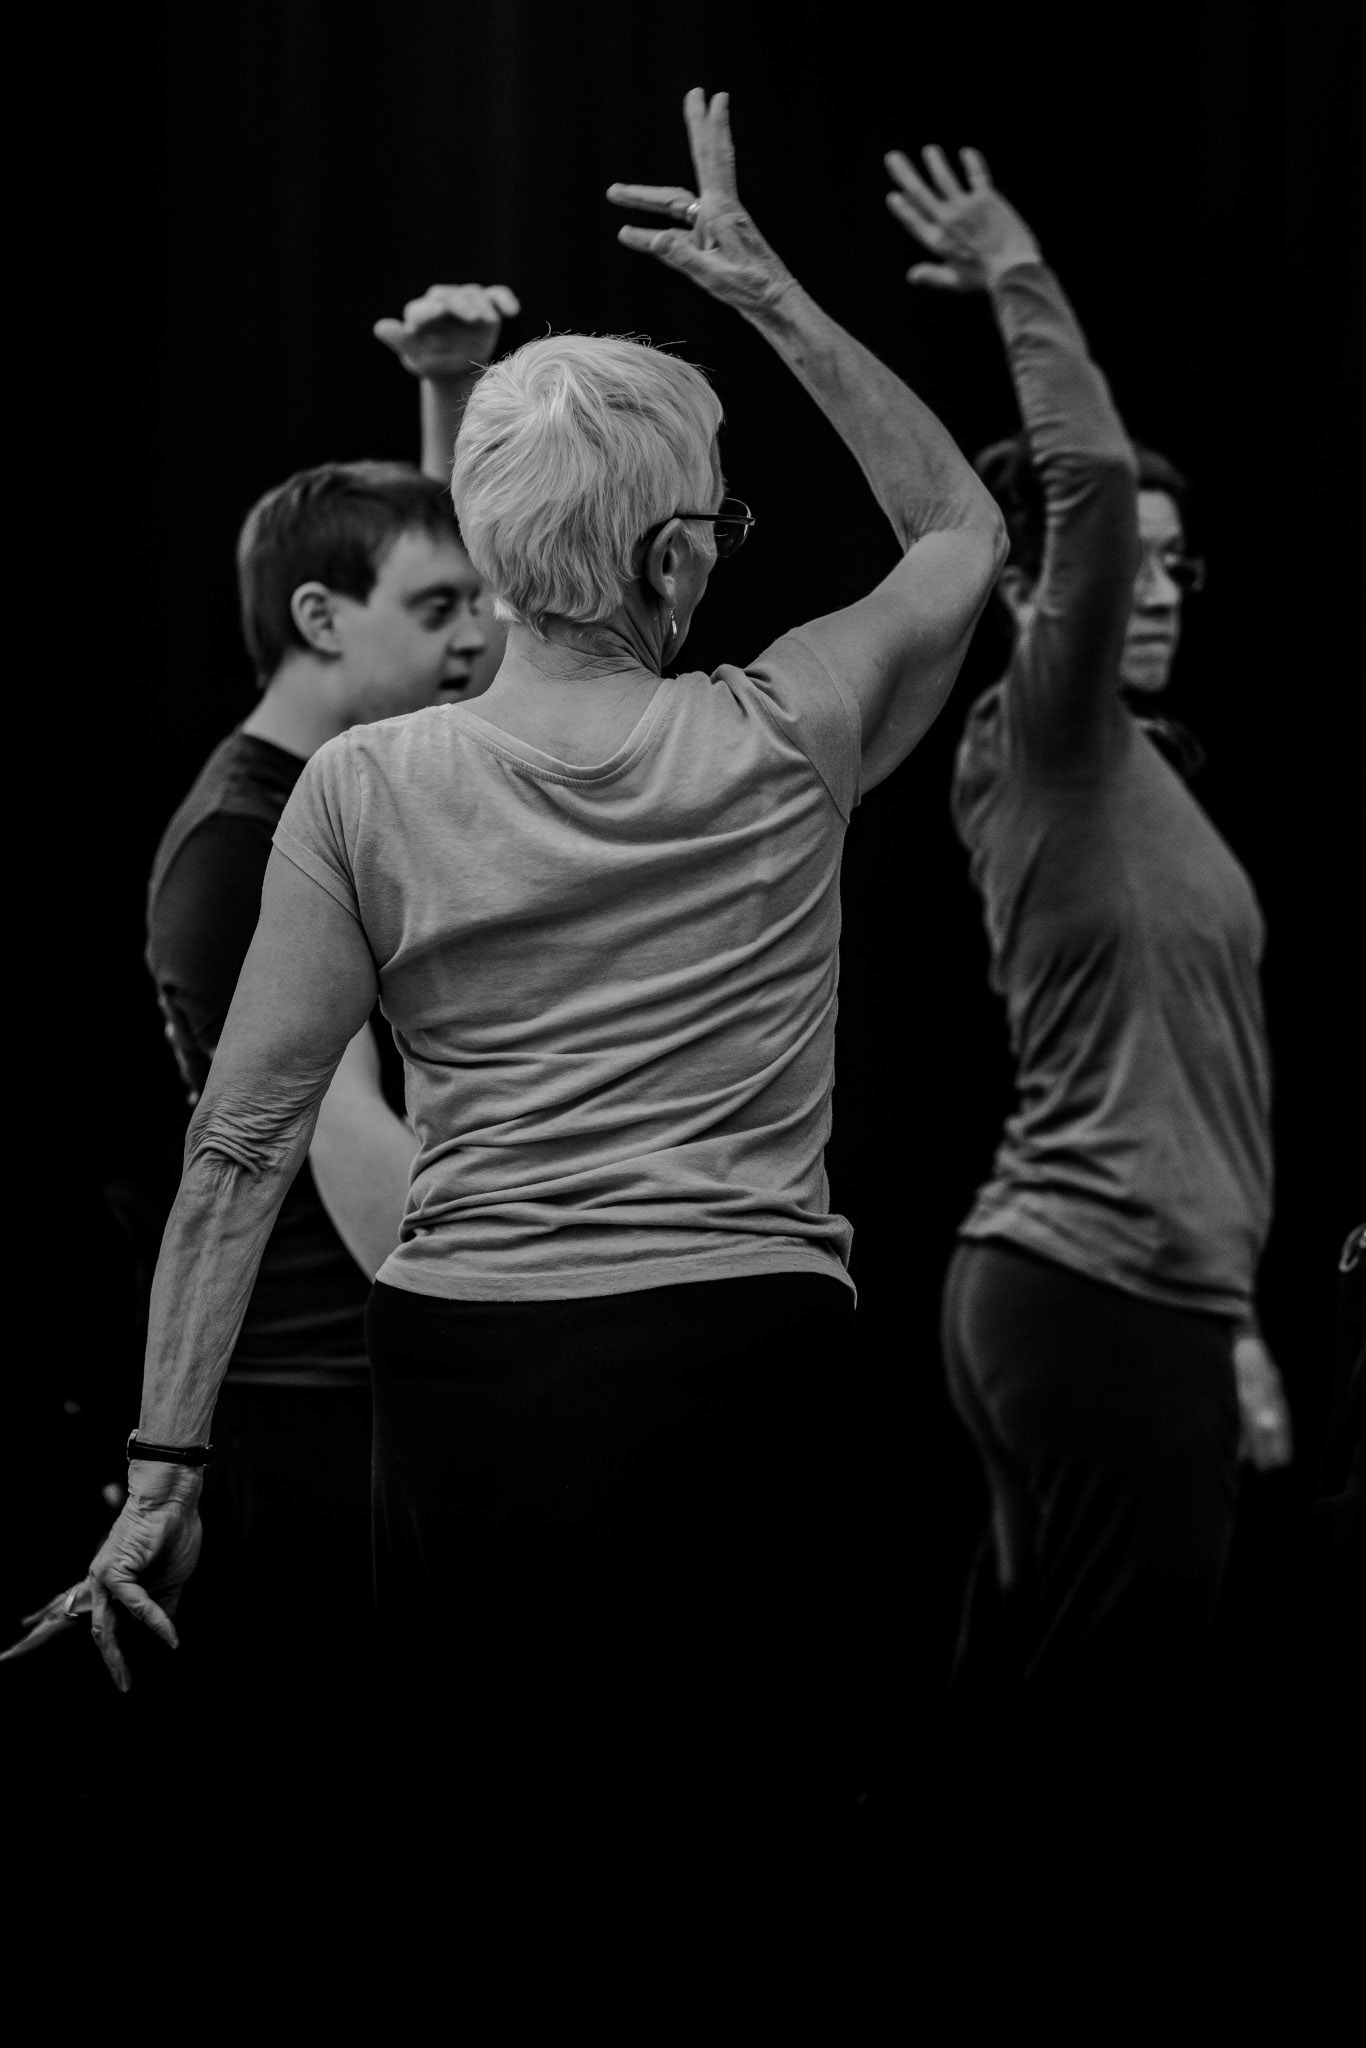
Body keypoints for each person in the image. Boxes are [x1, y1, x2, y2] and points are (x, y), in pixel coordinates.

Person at [16, 90, 1006, 1834]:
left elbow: (238, 1145)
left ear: (488, 548)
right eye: (713, 528)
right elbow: (960, 533)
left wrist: (163, 1469)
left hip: (468, 1377)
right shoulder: (787, 732)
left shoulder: (361, 788)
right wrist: (770, 294)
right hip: (740, 1355)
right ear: (673, 556)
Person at [59, 284, 517, 1802]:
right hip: (322, 1421)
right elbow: (376, 1199)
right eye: (437, 614)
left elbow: (467, 653)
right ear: (321, 621)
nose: (479, 638)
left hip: (366, 1402)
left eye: (474, 605)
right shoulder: (250, 849)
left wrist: (451, 397)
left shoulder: (348, 792)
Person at [883, 147, 1293, 1775]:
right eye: (1134, 561)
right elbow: (1095, 480)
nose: (1159, 586)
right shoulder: (1045, 736)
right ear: (1030, 591)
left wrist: (1232, 1321)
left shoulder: (1136, 776)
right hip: (1090, 1294)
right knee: (1104, 1740)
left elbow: (1184, 1087)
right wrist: (1016, 272)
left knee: (1028, 1708)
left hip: (1131, 1296)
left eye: (1182, 567)